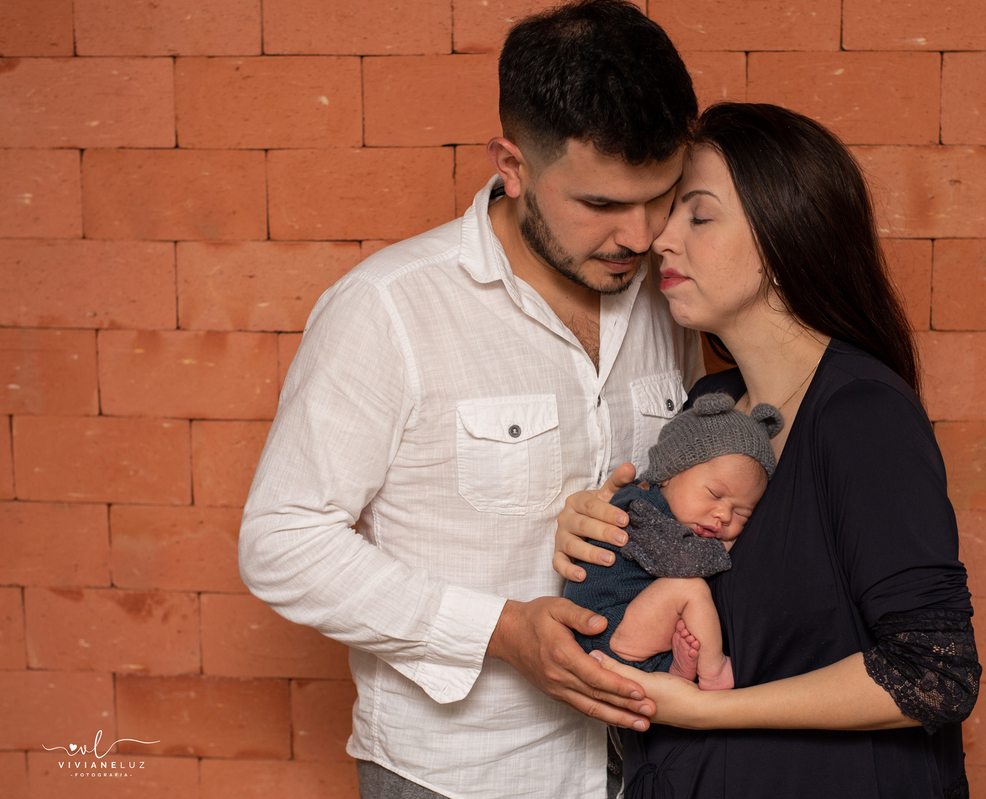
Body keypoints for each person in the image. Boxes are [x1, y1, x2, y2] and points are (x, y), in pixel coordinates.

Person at [238, 2, 702, 797]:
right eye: (600, 205)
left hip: (647, 766)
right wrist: (498, 629)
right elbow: (280, 540)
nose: (639, 234)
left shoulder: (669, 299)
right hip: (457, 775)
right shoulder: (387, 308)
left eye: (659, 197)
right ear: (512, 165)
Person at [555, 103, 982, 799]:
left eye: (697, 215)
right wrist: (605, 525)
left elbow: (934, 672)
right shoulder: (713, 405)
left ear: (784, 231)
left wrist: (708, 710)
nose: (660, 239)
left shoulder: (863, 414)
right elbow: (668, 589)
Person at [564, 393, 783, 691]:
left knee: (684, 622)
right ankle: (714, 670)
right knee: (689, 587)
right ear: (668, 473)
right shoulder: (639, 508)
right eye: (715, 494)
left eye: (742, 512)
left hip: (627, 627)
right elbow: (681, 560)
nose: (723, 515)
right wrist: (725, 549)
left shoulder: (669, 511)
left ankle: (675, 669)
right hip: (601, 627)